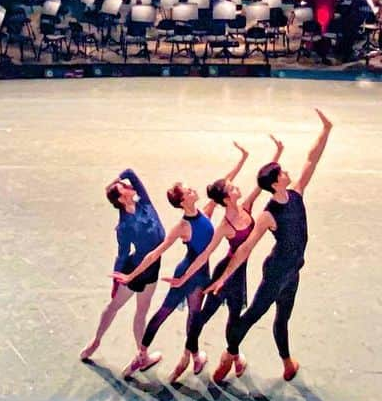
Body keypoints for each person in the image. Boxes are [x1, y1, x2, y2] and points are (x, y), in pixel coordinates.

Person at [210, 109, 333, 384]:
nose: (287, 172)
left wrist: (326, 131)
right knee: (252, 315)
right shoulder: (268, 214)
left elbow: (311, 160)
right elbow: (245, 249)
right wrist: (225, 276)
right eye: (282, 172)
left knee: (283, 318)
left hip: (293, 270)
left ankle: (287, 362)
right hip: (276, 271)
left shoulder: (296, 192)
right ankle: (228, 355)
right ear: (275, 182)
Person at [114, 144, 249, 377]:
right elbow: (156, 252)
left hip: (194, 273)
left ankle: (187, 357)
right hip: (190, 273)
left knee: (183, 315)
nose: (193, 191)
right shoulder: (182, 226)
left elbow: (224, 183)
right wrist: (131, 275)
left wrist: (243, 159)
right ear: (183, 201)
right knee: (173, 314)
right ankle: (151, 355)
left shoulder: (205, 212)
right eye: (188, 191)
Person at [161, 135, 285, 383]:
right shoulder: (225, 226)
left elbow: (262, 184)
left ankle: (235, 357)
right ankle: (186, 356)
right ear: (227, 197)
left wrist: (277, 154)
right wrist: (183, 278)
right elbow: (206, 254)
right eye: (232, 188)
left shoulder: (247, 206)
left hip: (238, 276)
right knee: (203, 316)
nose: (237, 187)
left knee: (233, 318)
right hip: (224, 274)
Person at [80, 168, 165, 366]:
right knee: (114, 306)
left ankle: (142, 355)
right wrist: (116, 282)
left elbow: (130, 172)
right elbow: (123, 254)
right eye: (124, 188)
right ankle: (96, 341)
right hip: (135, 271)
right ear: (120, 199)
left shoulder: (144, 202)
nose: (129, 186)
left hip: (153, 268)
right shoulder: (124, 226)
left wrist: (113, 182)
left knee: (142, 312)